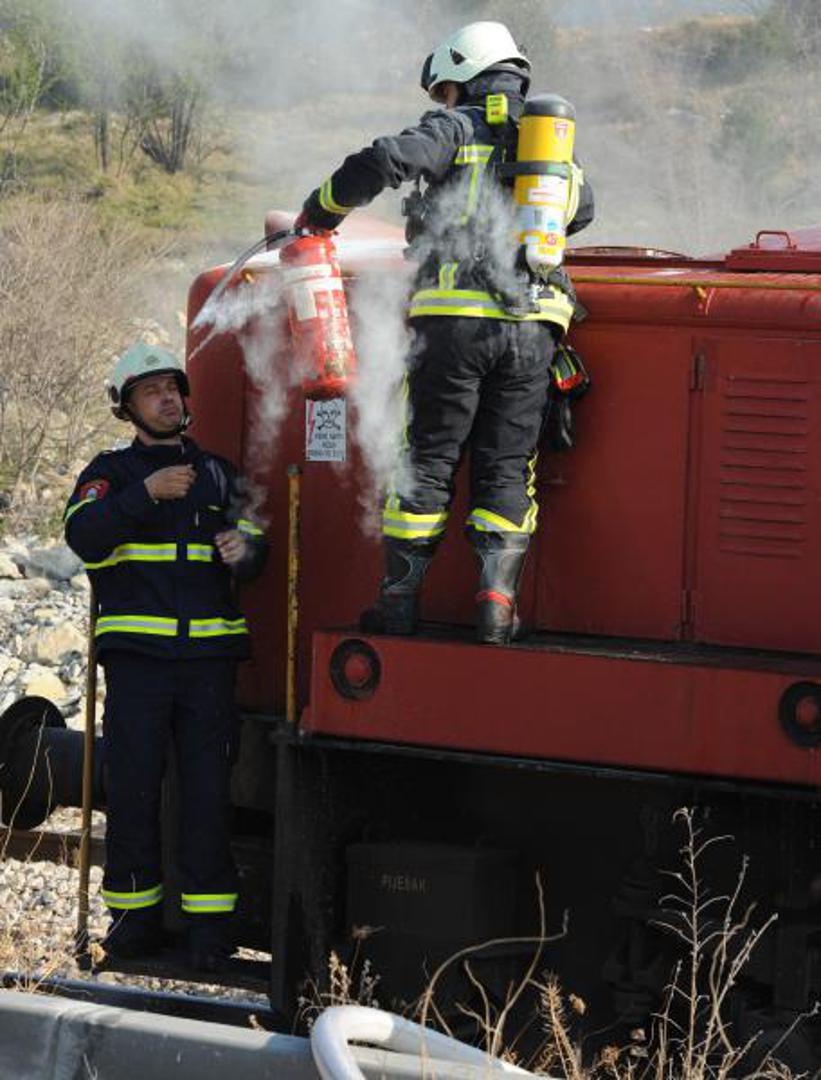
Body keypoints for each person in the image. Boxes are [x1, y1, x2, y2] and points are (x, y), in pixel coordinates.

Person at [296, 20, 594, 645]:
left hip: (456, 321)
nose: (443, 101)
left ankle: (398, 605)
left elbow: (385, 159)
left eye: (445, 90)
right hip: (535, 330)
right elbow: (583, 209)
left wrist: (321, 210)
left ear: (462, 74)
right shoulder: (549, 144)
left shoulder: (456, 128)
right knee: (507, 469)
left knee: (427, 462)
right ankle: (496, 611)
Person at [64, 342, 266, 971]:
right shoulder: (111, 474)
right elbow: (82, 535)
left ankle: (210, 936)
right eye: (151, 391)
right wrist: (144, 494)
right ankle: (132, 929)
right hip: (138, 666)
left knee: (208, 799)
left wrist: (245, 550)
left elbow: (258, 548)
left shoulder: (218, 475)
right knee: (132, 795)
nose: (167, 399)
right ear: (126, 408)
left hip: (209, 667)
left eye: (172, 388)